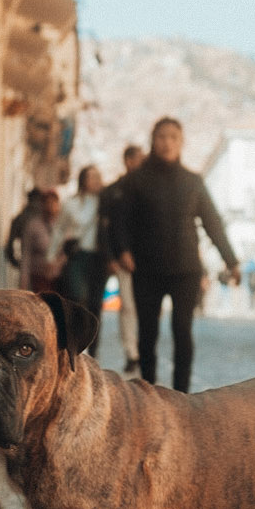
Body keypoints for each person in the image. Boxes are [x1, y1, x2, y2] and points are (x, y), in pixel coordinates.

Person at [112, 116, 241, 392]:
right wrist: (122, 250)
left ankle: (182, 395)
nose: (167, 142)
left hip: (185, 269)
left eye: (173, 137)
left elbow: (212, 223)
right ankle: (146, 391)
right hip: (146, 269)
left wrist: (231, 261)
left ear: (181, 143)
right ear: (153, 141)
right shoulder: (136, 181)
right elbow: (119, 219)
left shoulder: (193, 181)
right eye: (162, 137)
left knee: (183, 332)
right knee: (148, 333)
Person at [101, 144, 144, 372]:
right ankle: (132, 353)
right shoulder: (113, 191)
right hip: (124, 259)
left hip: (147, 259)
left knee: (144, 307)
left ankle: (143, 349)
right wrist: (112, 256)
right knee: (127, 306)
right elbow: (107, 228)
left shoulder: (149, 188)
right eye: (139, 158)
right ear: (129, 161)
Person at [51, 164, 108, 322]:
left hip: (98, 256)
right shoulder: (71, 204)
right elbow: (59, 229)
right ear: (83, 180)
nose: (96, 180)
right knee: (77, 296)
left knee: (95, 302)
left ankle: (93, 343)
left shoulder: (105, 204)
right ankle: (78, 338)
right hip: (78, 255)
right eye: (92, 177)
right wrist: (51, 255)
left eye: (98, 177)